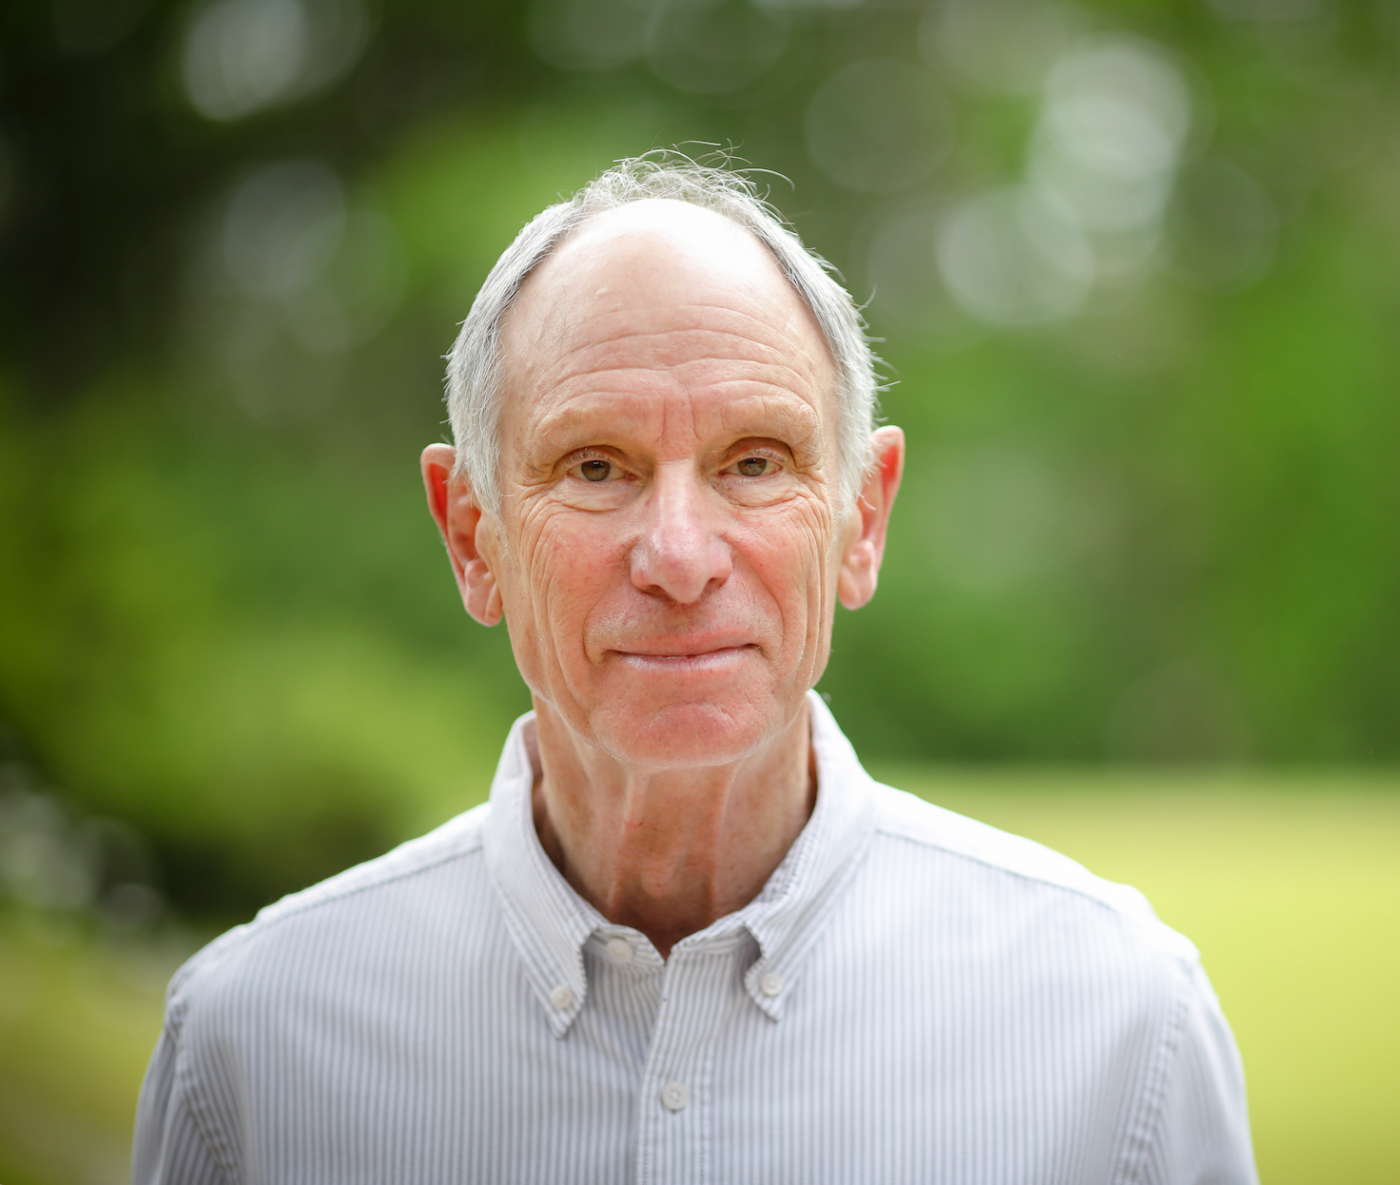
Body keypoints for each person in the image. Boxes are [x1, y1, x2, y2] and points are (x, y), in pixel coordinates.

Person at [132, 157, 1257, 1184]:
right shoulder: (256, 1047)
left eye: (753, 463)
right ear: (472, 538)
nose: (678, 556)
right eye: (595, 466)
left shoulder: (1118, 1026)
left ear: (861, 518)